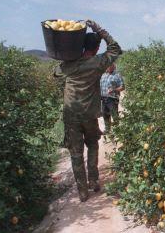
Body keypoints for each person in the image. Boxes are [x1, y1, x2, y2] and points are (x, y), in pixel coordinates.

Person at [54, 20, 122, 202]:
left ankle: (82, 191)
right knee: (92, 145)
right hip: (89, 115)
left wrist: (70, 55)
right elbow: (115, 48)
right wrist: (100, 30)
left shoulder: (69, 65)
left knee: (75, 153)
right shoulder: (98, 63)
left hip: (71, 116)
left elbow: (55, 72)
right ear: (98, 46)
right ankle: (93, 181)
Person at [100, 63, 125, 134]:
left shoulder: (117, 75)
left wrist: (114, 89)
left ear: (113, 66)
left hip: (112, 98)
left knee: (114, 115)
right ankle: (107, 129)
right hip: (103, 98)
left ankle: (118, 131)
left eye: (109, 65)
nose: (107, 67)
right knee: (105, 114)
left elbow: (123, 87)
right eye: (107, 65)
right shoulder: (103, 75)